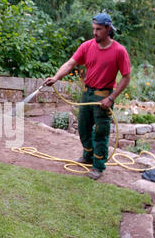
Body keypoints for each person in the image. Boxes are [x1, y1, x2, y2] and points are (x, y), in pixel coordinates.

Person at [44, 13, 131, 180]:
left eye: (98, 29)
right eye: (93, 29)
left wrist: (111, 98)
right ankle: (88, 155)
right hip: (87, 94)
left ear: (107, 29)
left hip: (103, 97)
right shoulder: (87, 46)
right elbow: (70, 63)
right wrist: (56, 77)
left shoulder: (119, 51)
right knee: (83, 128)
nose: (95, 32)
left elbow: (126, 77)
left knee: (100, 132)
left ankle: (98, 166)